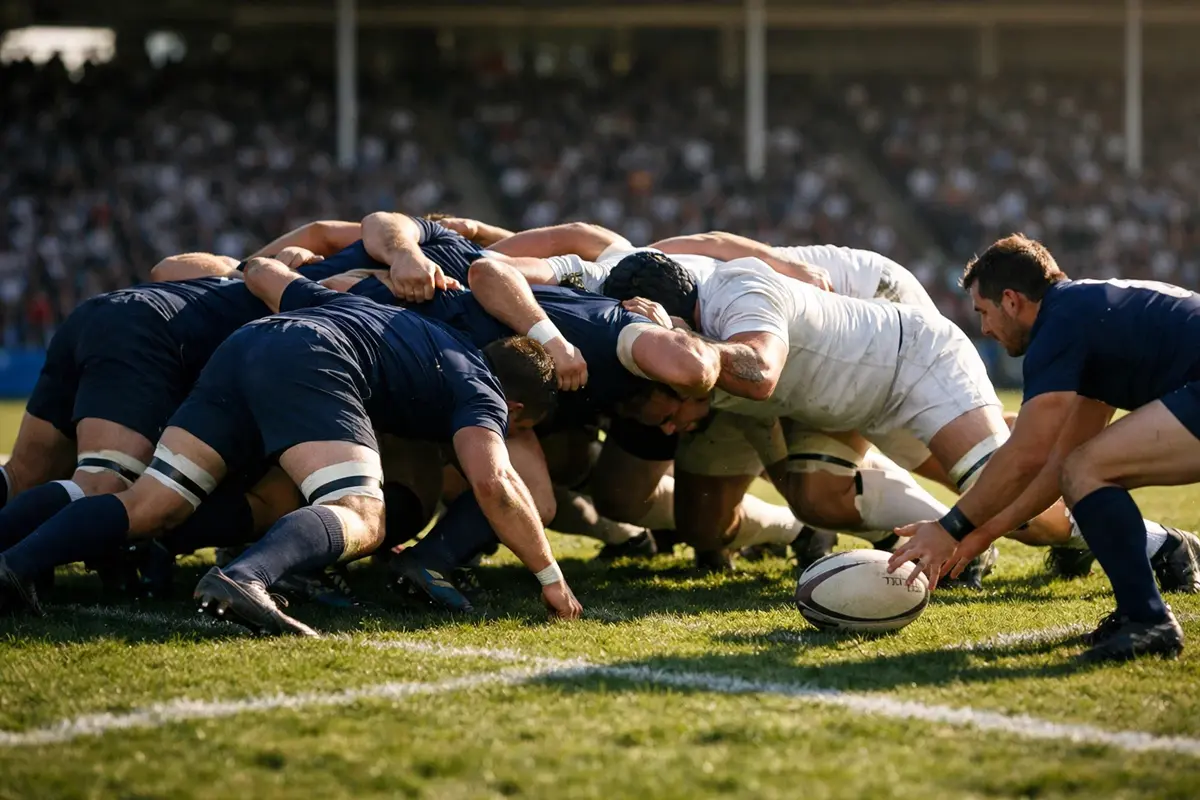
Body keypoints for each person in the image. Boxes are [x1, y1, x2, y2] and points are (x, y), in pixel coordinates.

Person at [0, 258, 582, 632]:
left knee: (149, 503)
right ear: (520, 409)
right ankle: (247, 578)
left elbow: (270, 275)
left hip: (248, 345)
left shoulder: (403, 324)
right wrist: (551, 578)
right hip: (312, 363)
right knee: (364, 512)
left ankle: (16, 564)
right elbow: (494, 482)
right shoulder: (483, 389)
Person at [888, 234, 1200, 662]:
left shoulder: (1060, 324)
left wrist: (948, 529)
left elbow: (1024, 456)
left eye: (984, 312)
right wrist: (981, 536)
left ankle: (1148, 619)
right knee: (1084, 469)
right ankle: (1140, 614)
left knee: (1087, 468)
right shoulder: (1085, 317)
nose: (985, 329)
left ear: (1012, 301)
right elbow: (1057, 471)